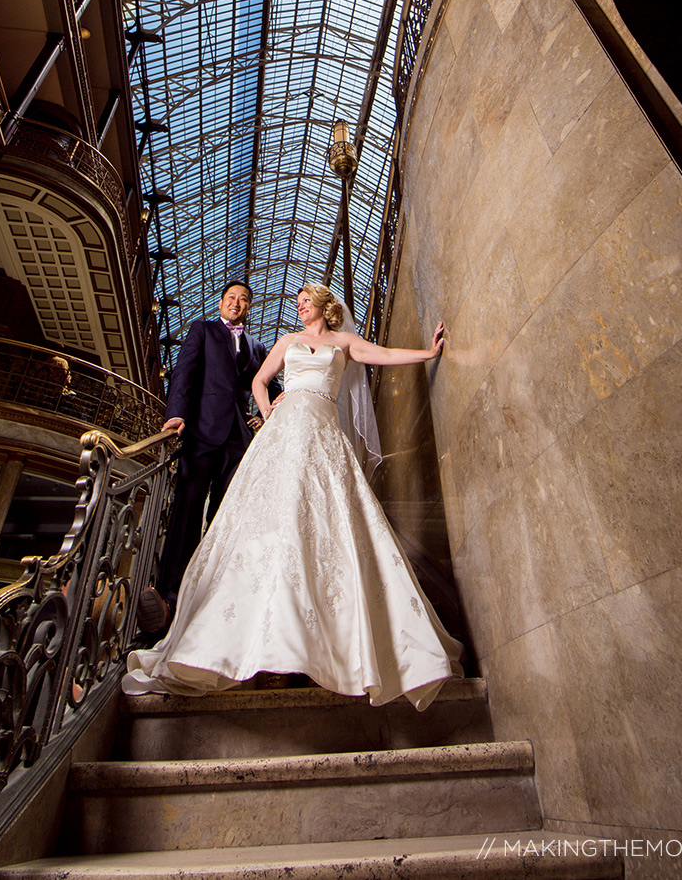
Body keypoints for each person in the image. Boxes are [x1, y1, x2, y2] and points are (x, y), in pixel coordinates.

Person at [124, 282, 463, 709]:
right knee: (269, 524)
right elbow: (261, 382)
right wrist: (267, 413)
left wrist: (427, 354)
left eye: (305, 302)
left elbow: (381, 353)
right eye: (298, 303)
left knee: (324, 526)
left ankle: (316, 648)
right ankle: (249, 641)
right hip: (282, 435)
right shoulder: (284, 341)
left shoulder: (343, 342)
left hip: (323, 438)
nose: (299, 307)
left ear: (324, 306)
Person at [139, 279, 267, 634]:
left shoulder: (258, 348)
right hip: (200, 432)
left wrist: (263, 413)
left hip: (237, 441)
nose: (236, 304)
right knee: (187, 510)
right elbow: (184, 373)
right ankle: (170, 597)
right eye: (231, 298)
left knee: (226, 516)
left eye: (243, 300)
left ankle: (214, 596)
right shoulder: (203, 330)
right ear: (222, 302)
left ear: (248, 308)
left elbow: (273, 386)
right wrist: (176, 413)